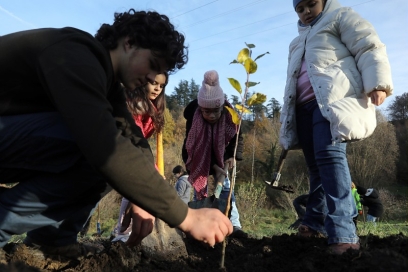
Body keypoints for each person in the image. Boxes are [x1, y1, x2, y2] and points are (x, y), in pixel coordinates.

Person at [0, 9, 232, 258]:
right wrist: (185, 216)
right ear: (128, 42)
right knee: (98, 150)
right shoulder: (74, 55)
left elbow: (134, 140)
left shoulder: (106, 82)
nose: (153, 78)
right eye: (153, 65)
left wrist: (144, 197)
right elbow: (105, 147)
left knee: (111, 157)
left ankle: (53, 239)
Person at [279, 0, 393, 255]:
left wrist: (377, 83)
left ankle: (343, 232)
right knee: (315, 168)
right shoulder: (296, 42)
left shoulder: (341, 17)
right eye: (300, 8)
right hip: (304, 109)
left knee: (329, 155)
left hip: (332, 103)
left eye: (312, 4)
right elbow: (292, 80)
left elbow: (368, 45)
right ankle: (314, 221)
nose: (306, 11)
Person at [182, 70, 246, 237]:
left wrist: (232, 156)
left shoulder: (230, 116)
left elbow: (237, 137)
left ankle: (233, 224)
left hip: (223, 156)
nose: (211, 115)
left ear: (221, 107)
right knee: (199, 191)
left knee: (226, 189)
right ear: (201, 109)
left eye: (215, 111)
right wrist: (212, 166)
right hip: (200, 160)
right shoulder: (194, 120)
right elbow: (188, 148)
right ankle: (199, 225)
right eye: (206, 112)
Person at [113, 72, 168, 239]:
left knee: (133, 193)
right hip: (121, 150)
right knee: (134, 188)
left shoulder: (154, 109)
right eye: (154, 83)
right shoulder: (134, 104)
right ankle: (122, 231)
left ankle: (123, 230)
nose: (158, 88)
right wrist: (152, 169)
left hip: (137, 150)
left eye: (162, 86)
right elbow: (135, 138)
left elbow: (144, 139)